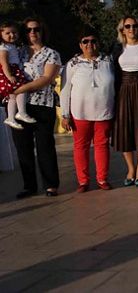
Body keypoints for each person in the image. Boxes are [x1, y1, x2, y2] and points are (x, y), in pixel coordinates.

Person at [10, 18, 61, 198]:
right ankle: (29, 185)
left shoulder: (51, 54)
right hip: (18, 106)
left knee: (44, 146)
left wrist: (20, 89)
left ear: (42, 31)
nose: (32, 32)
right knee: (22, 147)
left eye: (36, 29)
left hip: (42, 105)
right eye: (28, 30)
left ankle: (50, 185)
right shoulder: (18, 52)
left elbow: (46, 78)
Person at [60, 28, 114, 192]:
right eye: (85, 41)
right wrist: (65, 114)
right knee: (81, 147)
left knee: (102, 145)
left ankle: (102, 179)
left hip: (104, 112)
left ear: (98, 42)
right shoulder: (72, 64)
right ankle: (83, 181)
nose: (90, 44)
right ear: (80, 44)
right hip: (80, 113)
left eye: (93, 41)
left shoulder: (108, 61)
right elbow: (65, 89)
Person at [111, 16, 138, 186]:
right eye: (127, 26)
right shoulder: (116, 48)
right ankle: (130, 168)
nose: (131, 29)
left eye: (134, 26)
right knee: (125, 130)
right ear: (122, 30)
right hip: (123, 90)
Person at [0, 21, 35, 130]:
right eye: (8, 33)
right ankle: (21, 112)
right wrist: (9, 75)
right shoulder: (3, 47)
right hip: (10, 71)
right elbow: (4, 63)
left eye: (14, 32)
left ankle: (11, 117)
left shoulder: (12, 46)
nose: (12, 35)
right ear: (1, 34)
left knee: (13, 96)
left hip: (13, 70)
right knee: (22, 89)